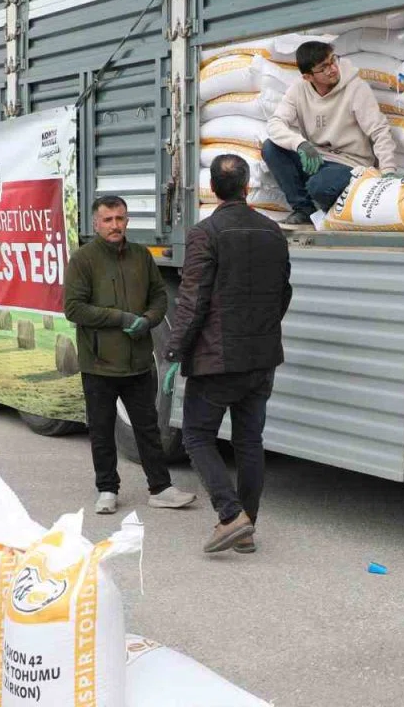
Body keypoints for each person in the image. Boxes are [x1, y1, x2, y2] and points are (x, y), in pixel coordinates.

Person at [163, 155, 292, 554]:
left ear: (213, 189)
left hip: (218, 359)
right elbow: (283, 292)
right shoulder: (273, 231)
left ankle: (230, 515)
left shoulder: (206, 233)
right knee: (249, 441)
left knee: (196, 435)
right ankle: (246, 528)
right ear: (247, 187)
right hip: (262, 357)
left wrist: (174, 348)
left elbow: (193, 300)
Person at [64, 195, 197, 515]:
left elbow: (159, 297)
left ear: (127, 221)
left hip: (138, 362)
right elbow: (74, 308)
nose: (115, 225)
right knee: (101, 429)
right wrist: (121, 319)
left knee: (148, 428)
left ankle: (160, 488)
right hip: (99, 363)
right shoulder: (83, 260)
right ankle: (107, 489)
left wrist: (148, 320)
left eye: (120, 219)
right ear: (96, 223)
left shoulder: (141, 256)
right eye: (108, 220)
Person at [263, 40, 401, 226]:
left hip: (350, 165)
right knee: (271, 148)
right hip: (315, 159)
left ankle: (332, 213)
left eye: (332, 61)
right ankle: (304, 210)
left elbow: (379, 130)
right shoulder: (298, 90)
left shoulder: (356, 88)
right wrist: (300, 144)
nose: (333, 69)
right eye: (323, 68)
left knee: (319, 186)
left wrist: (388, 171)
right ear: (308, 77)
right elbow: (275, 123)